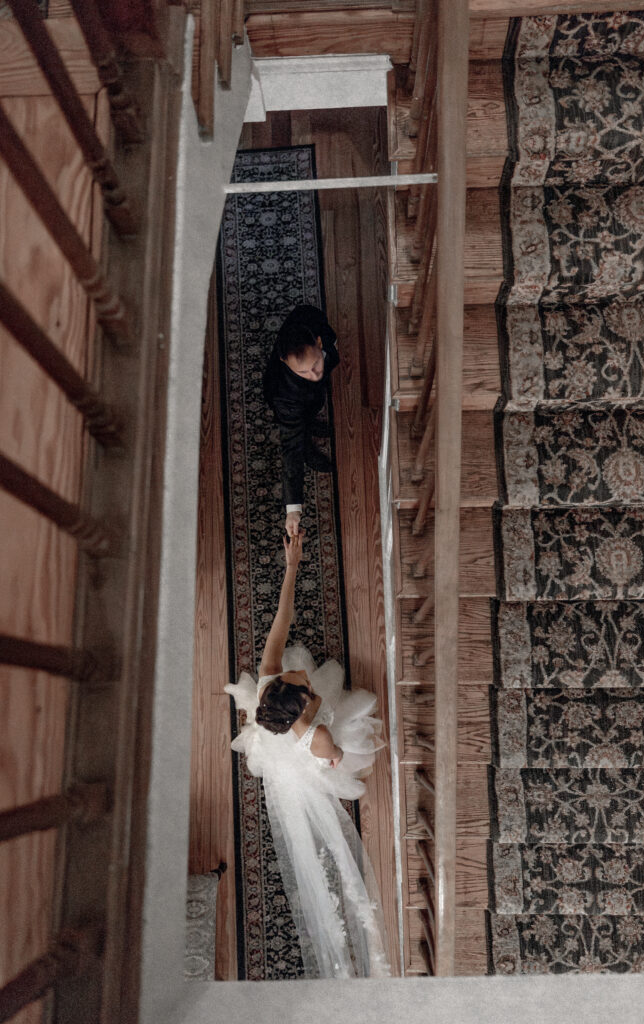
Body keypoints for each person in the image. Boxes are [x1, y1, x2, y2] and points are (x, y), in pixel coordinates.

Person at [225, 532, 390, 979]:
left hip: (281, 734)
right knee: (353, 737)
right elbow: (334, 757)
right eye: (305, 686)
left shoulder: (268, 677)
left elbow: (283, 616)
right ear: (301, 706)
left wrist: (292, 564)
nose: (304, 675)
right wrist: (331, 752)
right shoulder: (316, 735)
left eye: (296, 678)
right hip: (306, 757)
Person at [263, 304, 340, 538]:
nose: (314, 375)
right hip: (292, 403)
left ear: (319, 343)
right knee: (299, 436)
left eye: (316, 365)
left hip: (308, 400)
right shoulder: (284, 397)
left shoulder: (311, 317)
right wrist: (293, 509)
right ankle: (310, 448)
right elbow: (290, 451)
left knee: (315, 403)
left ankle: (311, 422)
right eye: (304, 372)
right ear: (286, 364)